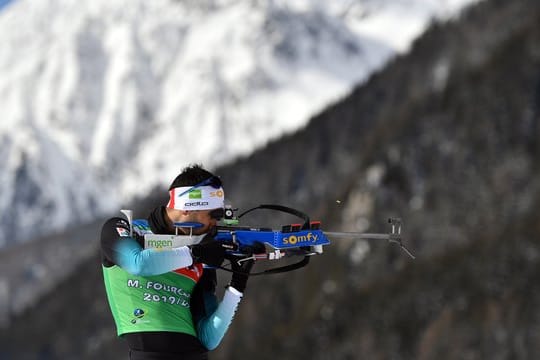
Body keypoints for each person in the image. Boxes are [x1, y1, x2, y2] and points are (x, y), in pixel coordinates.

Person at [100, 164, 254, 360]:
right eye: (214, 215)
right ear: (188, 209)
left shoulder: (200, 251)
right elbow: (139, 264)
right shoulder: (126, 229)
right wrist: (195, 254)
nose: (216, 223)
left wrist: (237, 286)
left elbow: (209, 337)